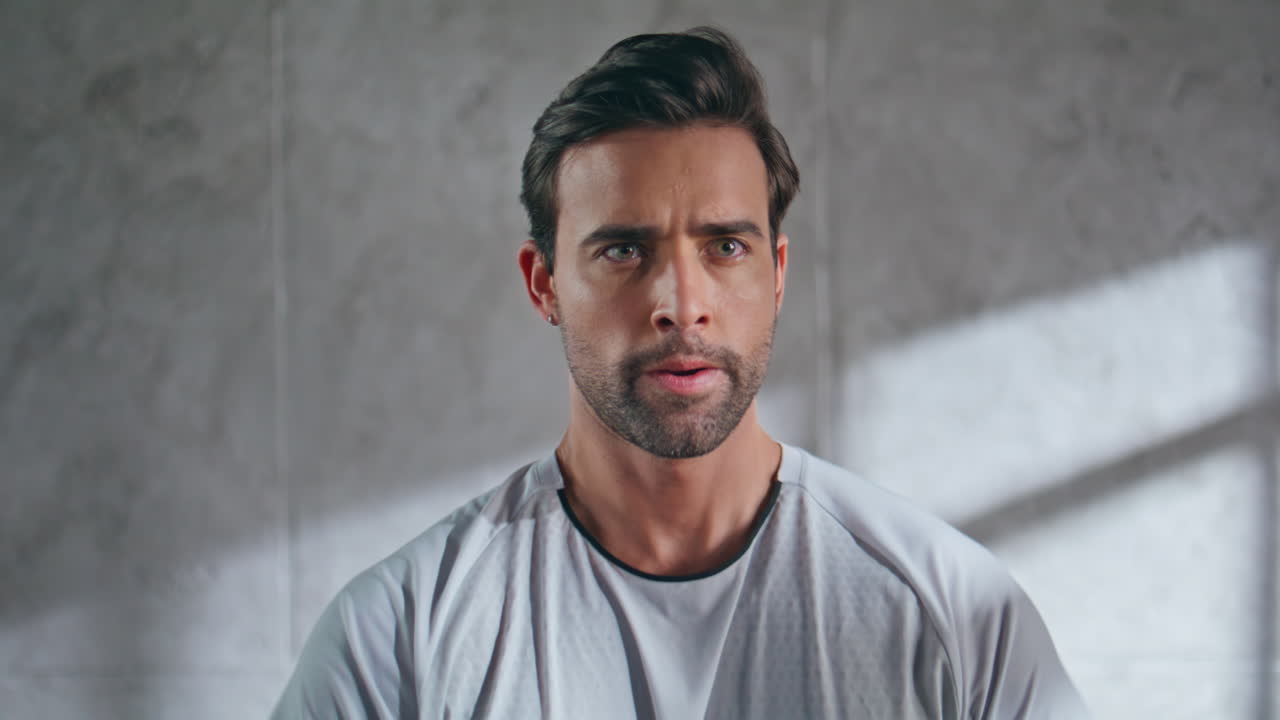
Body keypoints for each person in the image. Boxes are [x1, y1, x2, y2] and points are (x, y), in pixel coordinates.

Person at [272, 27, 1089, 719]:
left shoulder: (957, 618)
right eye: (624, 250)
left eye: (724, 247)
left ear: (775, 275)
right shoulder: (399, 640)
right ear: (544, 283)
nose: (681, 304)